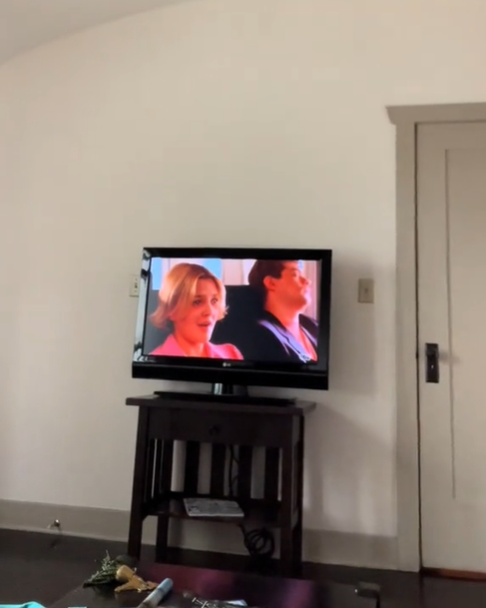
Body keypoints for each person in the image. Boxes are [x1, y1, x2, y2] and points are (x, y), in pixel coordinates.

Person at [149, 263, 243, 359]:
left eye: (214, 301)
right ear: (171, 309)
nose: (210, 311)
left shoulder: (231, 354)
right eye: (197, 302)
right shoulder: (153, 361)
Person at [247, 260, 318, 363]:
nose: (307, 281)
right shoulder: (262, 336)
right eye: (295, 274)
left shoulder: (314, 326)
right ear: (271, 283)